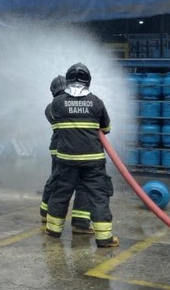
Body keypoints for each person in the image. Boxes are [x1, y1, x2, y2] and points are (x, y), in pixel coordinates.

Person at [44, 62, 118, 248]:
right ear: (88, 80)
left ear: (68, 79)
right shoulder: (97, 102)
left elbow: (52, 119)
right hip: (93, 162)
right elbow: (106, 129)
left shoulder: (57, 104)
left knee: (60, 193)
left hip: (66, 160)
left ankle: (53, 230)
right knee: (98, 196)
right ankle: (104, 238)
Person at [41, 75, 93, 234]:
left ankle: (45, 212)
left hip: (58, 149)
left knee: (55, 180)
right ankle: (80, 223)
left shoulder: (51, 107)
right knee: (82, 183)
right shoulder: (63, 105)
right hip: (72, 149)